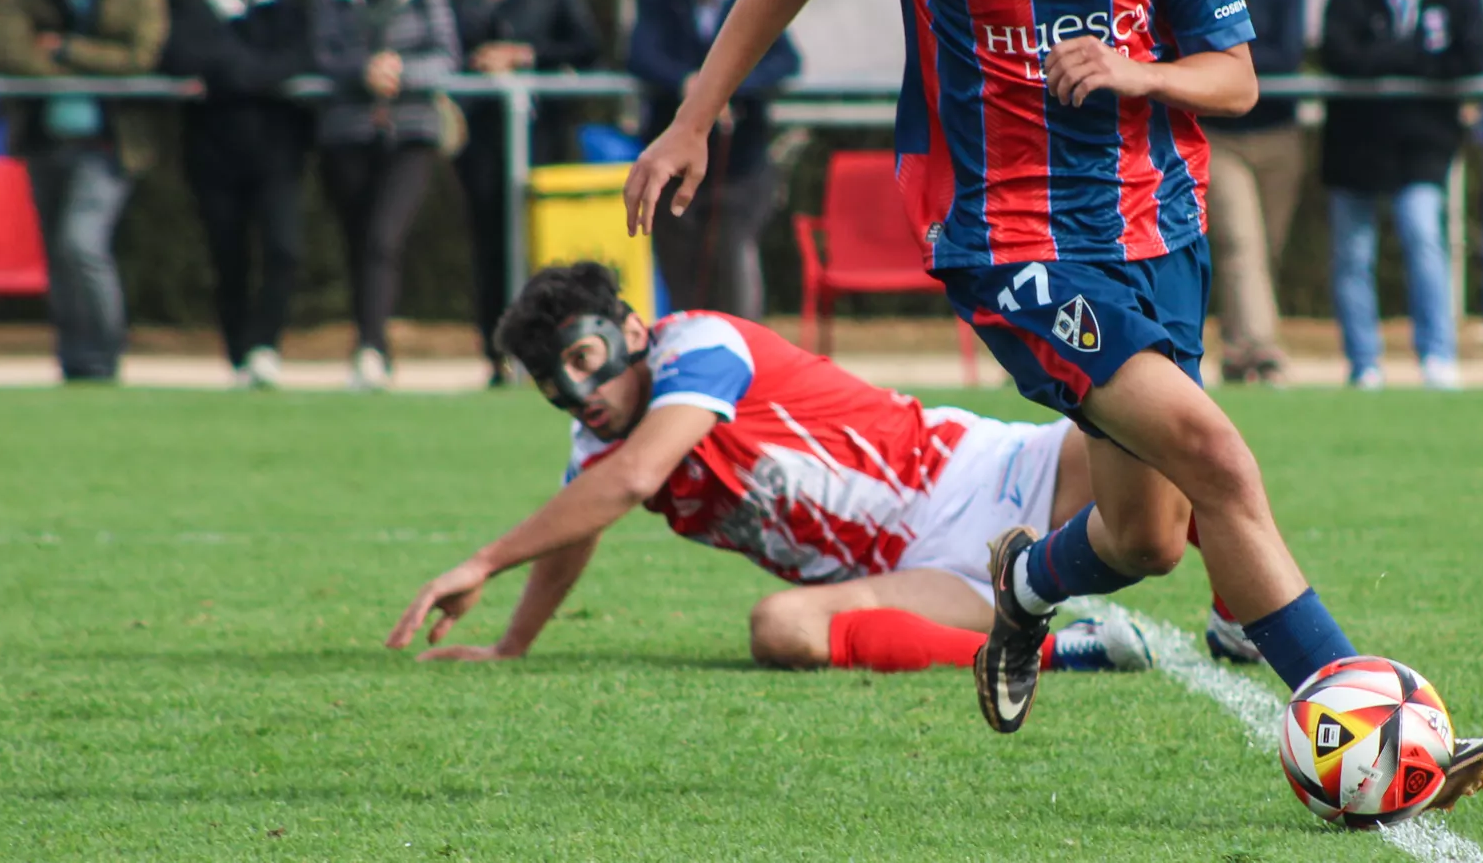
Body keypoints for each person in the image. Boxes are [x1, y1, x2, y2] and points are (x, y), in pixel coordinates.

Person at [617, 0, 1483, 808]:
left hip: (1158, 234)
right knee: (1218, 454)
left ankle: (1024, 587)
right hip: (1013, 245)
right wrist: (692, 119)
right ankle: (1370, 726)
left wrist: (1139, 72)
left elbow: (1235, 80)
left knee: (1145, 537)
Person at [384, 262, 1157, 676]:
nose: (579, 392)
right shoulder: (598, 442)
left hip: (986, 471)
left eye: (584, 359)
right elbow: (579, 524)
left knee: (1155, 450)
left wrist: (482, 561)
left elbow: (630, 481)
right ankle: (1072, 650)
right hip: (914, 572)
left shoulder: (698, 346)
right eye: (556, 385)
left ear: (631, 330)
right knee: (782, 626)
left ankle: (1226, 608)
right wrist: (513, 643)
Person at [1319, 0, 1483, 391]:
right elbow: (1339, 56)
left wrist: (1389, 57)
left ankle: (1437, 355)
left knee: (1422, 236)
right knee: (1353, 253)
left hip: (1423, 139)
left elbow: (1470, 59)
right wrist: (1415, 57)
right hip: (1356, 139)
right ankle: (1363, 363)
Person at [0, 0, 167, 382]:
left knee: (81, 243)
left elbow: (141, 57)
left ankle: (106, 353)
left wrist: (68, 50)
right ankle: (75, 361)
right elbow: (10, 48)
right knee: (58, 251)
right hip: (45, 138)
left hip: (109, 143)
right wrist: (76, 70)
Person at [447, 0, 605, 385]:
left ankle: (558, 351)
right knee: (490, 245)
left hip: (544, 137)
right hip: (483, 140)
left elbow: (587, 46)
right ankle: (497, 353)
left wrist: (524, 56)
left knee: (546, 249)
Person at [310, 0, 461, 392]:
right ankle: (371, 345)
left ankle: (372, 347)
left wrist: (401, 72)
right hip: (348, 133)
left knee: (382, 238)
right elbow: (322, 53)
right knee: (357, 243)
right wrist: (363, 72)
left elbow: (446, 55)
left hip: (411, 134)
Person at [161, 0, 314, 388]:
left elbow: (299, 58)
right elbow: (181, 56)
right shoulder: (194, 11)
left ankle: (265, 345)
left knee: (284, 249)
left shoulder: (287, 11)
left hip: (278, 153)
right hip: (214, 156)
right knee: (229, 258)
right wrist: (260, 74)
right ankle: (238, 355)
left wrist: (233, 75)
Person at [627, 0, 799, 320]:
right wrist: (687, 84)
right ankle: (690, 343)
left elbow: (784, 61)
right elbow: (640, 53)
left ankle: (742, 342)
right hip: (673, 159)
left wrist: (725, 87)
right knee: (680, 264)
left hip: (739, 164)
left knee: (732, 255)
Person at [1201, 0, 1308, 385]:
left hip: (1277, 133)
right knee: (1240, 240)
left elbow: (1287, 54)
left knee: (1267, 248)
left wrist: (1227, 60)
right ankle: (1259, 352)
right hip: (1218, 134)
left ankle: (1237, 350)